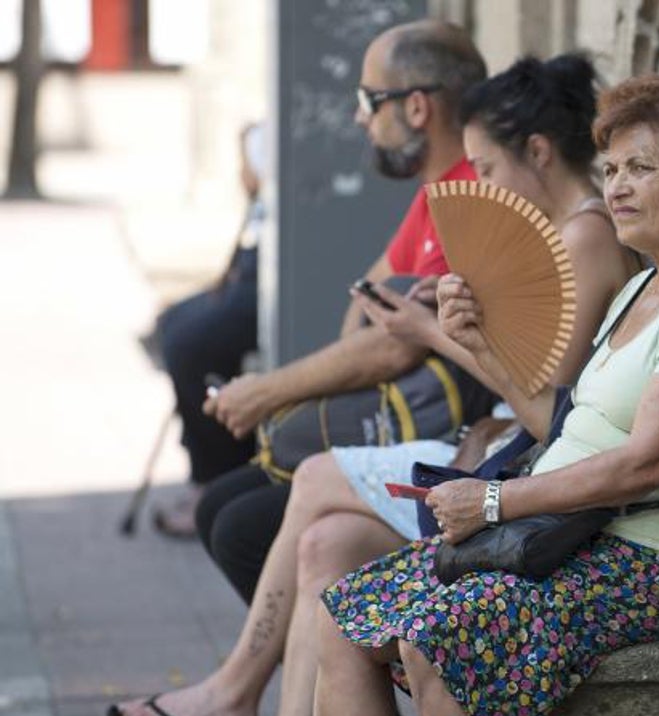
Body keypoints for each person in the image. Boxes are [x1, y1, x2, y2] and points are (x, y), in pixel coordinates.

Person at [108, 53, 636, 716]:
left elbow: (552, 408)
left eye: (485, 168)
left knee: (322, 475)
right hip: (502, 457)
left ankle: (236, 692)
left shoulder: (586, 236)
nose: (480, 185)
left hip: (531, 480)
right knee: (323, 545)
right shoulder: (558, 231)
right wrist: (448, 313)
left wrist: (436, 336)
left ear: (538, 152)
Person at [313, 73, 659, 716]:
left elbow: (650, 461)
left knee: (435, 638)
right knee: (346, 613)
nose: (617, 187)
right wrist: (479, 347)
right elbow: (567, 424)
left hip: (653, 563)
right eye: (612, 169)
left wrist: (497, 500)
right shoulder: (644, 286)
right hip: (569, 538)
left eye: (642, 169)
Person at [189, 19, 486, 597]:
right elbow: (365, 309)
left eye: (367, 100)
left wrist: (267, 391)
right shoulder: (436, 191)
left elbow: (392, 340)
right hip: (407, 423)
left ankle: (337, 678)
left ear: (418, 108)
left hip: (450, 441)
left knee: (238, 526)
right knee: (224, 508)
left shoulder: (469, 192)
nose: (358, 117)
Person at [145, 121, 267, 537]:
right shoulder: (259, 200)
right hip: (247, 283)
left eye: (245, 164)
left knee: (189, 344)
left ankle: (215, 475)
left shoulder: (272, 193)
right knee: (172, 322)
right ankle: (199, 454)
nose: (240, 174)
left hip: (265, 290)